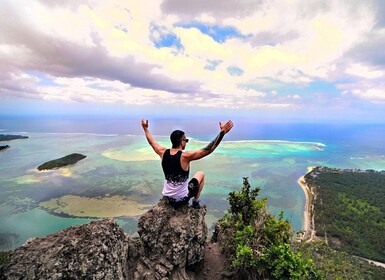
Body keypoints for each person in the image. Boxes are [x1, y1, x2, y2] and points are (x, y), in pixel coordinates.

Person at [141, 119, 234, 208]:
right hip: (181, 199)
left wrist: (145, 128)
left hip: (168, 198)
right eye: (186, 140)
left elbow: (151, 142)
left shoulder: (163, 152)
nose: (186, 142)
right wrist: (223, 132)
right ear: (182, 142)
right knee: (201, 174)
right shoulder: (185, 156)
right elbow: (209, 149)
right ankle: (195, 202)